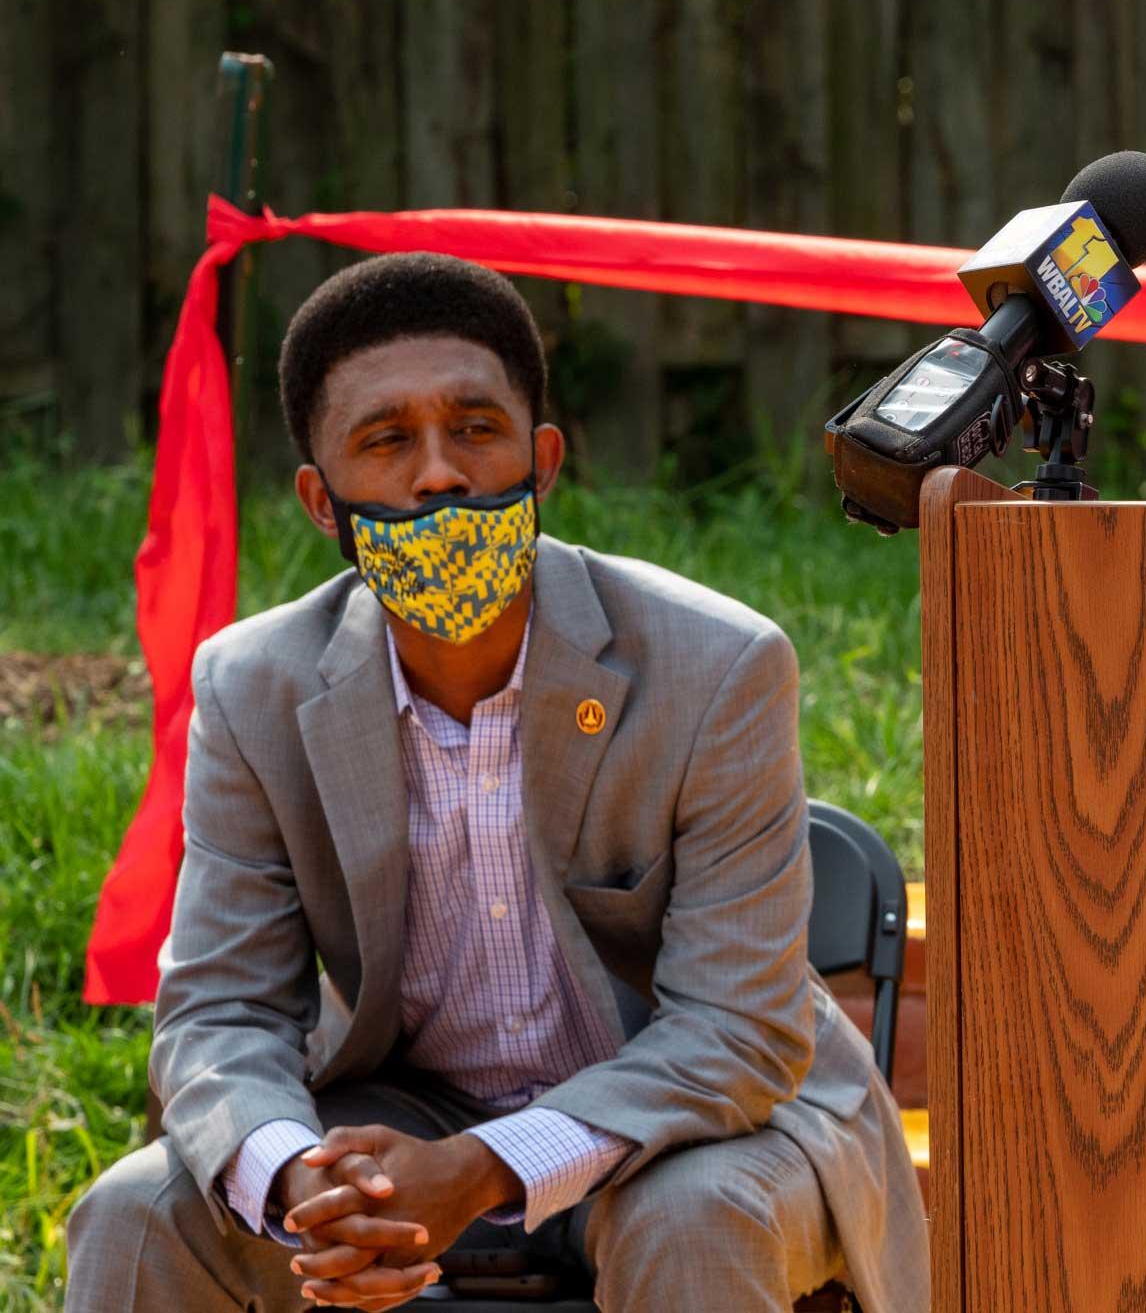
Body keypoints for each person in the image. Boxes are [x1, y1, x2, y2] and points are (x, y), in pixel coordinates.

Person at [65, 253, 928, 1311]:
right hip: (405, 1108)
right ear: (321, 499)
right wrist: (303, 1178)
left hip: (700, 1115)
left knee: (695, 1216)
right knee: (135, 1213)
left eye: (475, 428)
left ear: (544, 459)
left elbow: (738, 1031)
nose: (438, 474)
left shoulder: (718, 665)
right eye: (385, 441)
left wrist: (481, 1168)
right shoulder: (252, 687)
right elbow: (219, 1007)